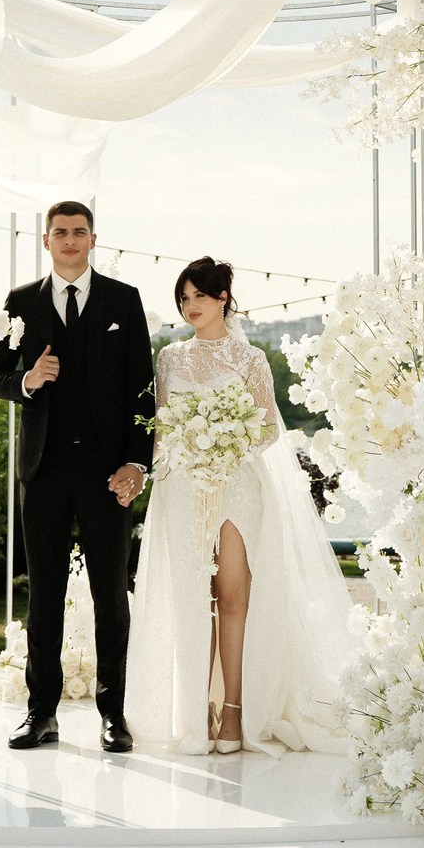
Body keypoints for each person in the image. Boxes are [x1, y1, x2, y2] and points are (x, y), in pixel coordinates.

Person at [124, 258, 353, 756]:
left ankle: (234, 712)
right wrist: (167, 454)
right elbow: (160, 428)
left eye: (198, 297)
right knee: (189, 599)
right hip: (183, 487)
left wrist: (225, 441)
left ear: (223, 296)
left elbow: (269, 426)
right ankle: (193, 716)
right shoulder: (170, 359)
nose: (190, 307)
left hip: (236, 484)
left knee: (232, 597)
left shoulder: (249, 360)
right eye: (183, 299)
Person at [0, 201, 155, 754]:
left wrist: (137, 460)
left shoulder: (123, 300)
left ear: (94, 238)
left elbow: (142, 388)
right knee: (44, 597)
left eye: (79, 232)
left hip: (108, 473)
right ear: (47, 241)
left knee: (111, 595)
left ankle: (113, 715)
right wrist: (27, 380)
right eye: (61, 233)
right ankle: (41, 714)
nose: (70, 240)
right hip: (44, 469)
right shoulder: (20, 302)